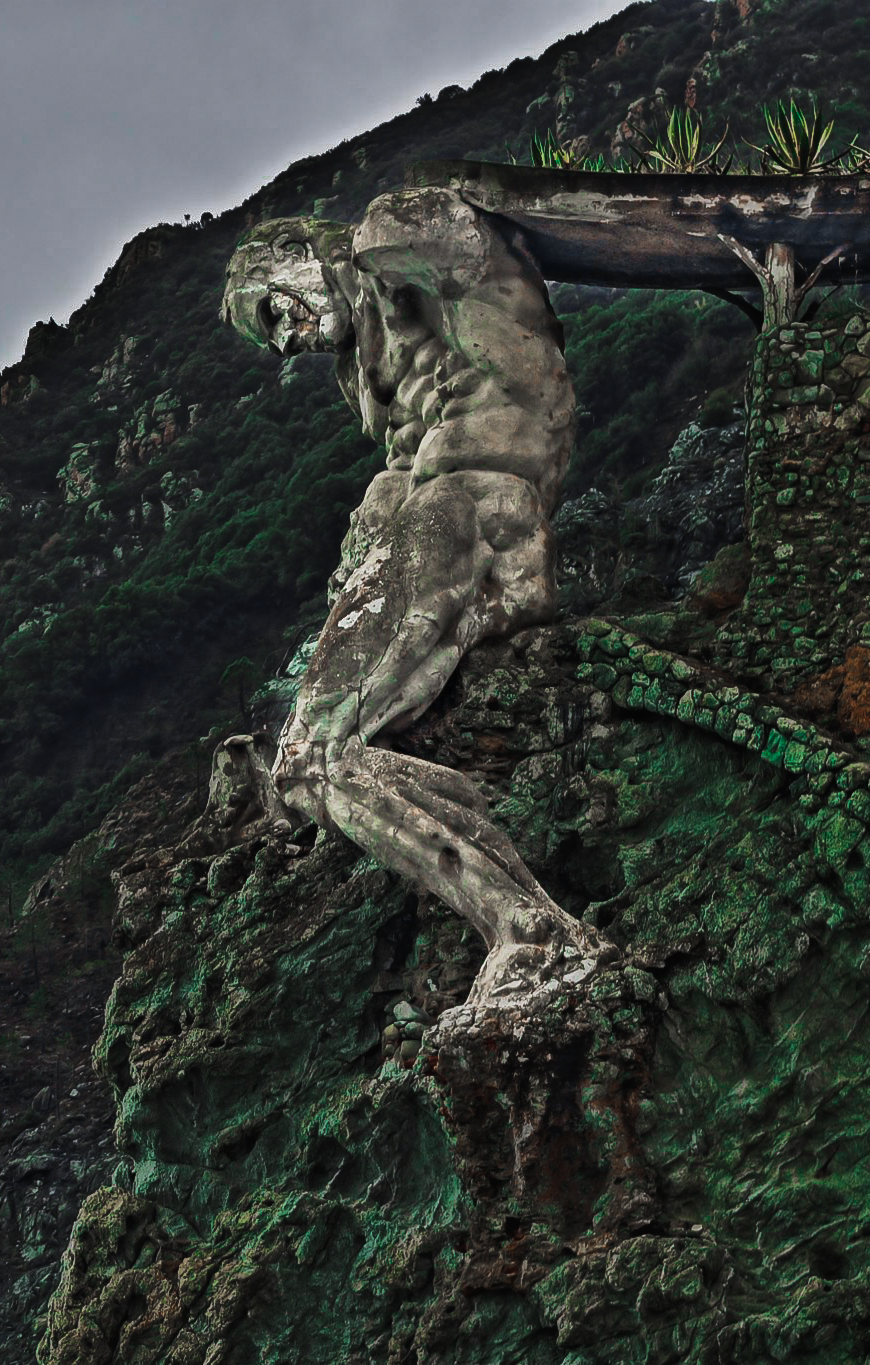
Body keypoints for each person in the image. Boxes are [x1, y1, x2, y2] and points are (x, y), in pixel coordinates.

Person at [214, 187, 607, 1007]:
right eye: (269, 335)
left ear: (299, 261)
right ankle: (497, 871)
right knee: (303, 771)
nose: (286, 339)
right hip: (440, 518)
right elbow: (406, 456)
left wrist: (398, 239)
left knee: (312, 757)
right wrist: (371, 522)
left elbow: (497, 320)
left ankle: (526, 927)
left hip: (481, 510)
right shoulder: (358, 367)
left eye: (277, 311)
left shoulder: (391, 255)